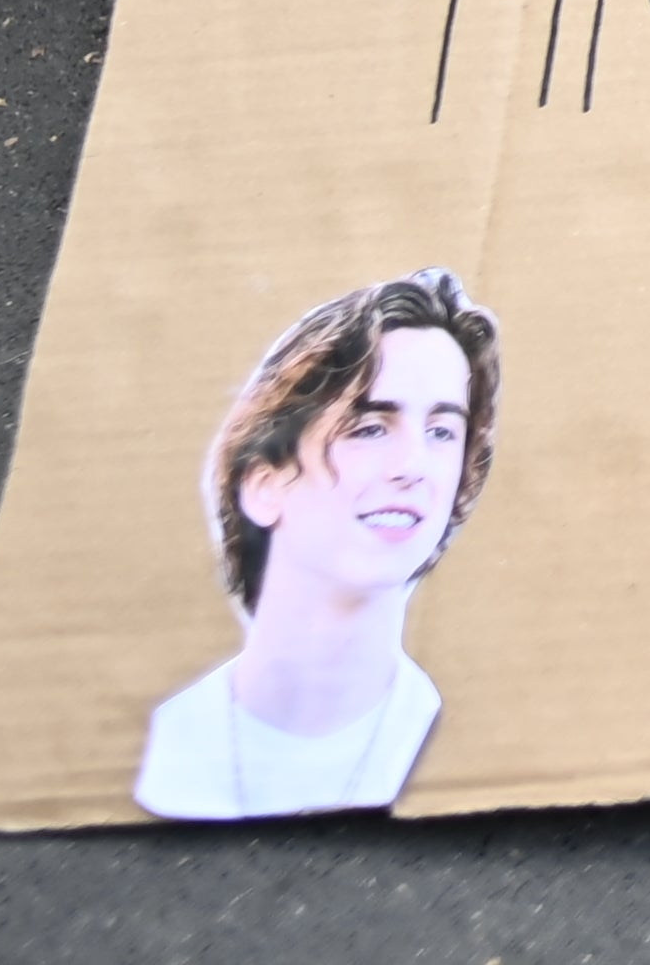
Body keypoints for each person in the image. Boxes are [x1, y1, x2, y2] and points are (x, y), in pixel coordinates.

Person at [134, 269, 502, 819]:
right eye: (370, 428)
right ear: (264, 484)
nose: (414, 468)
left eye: (443, 431)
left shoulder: (463, 738)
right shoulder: (168, 747)